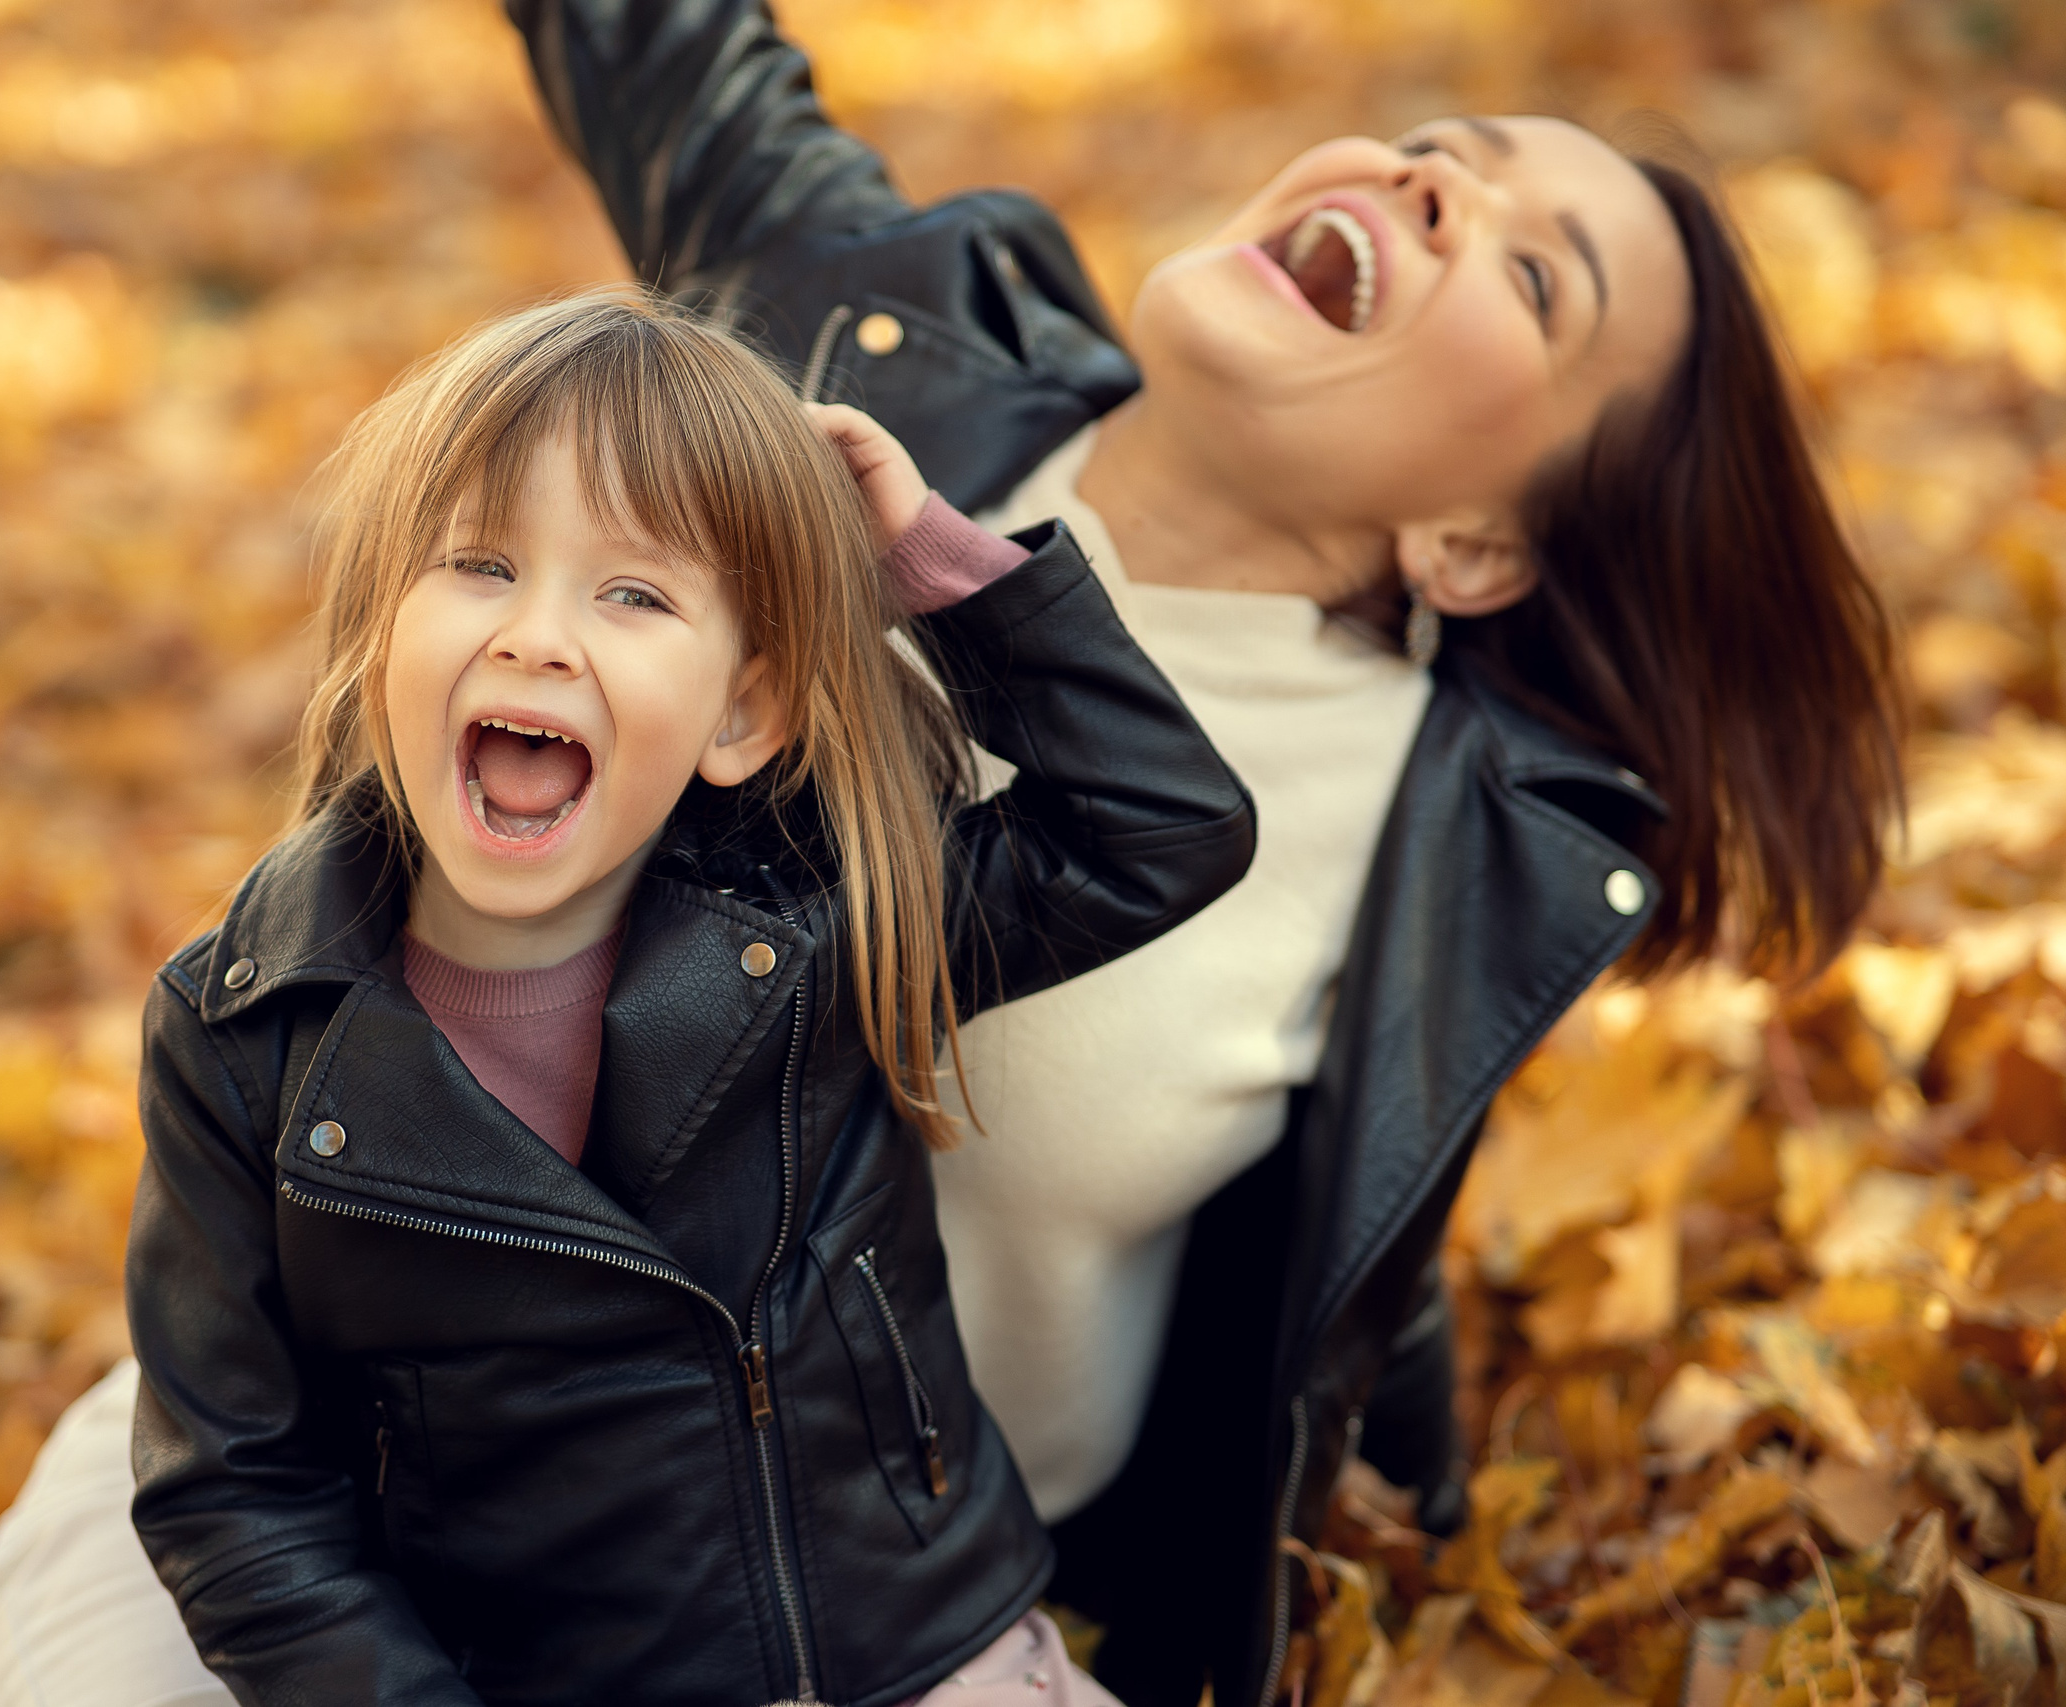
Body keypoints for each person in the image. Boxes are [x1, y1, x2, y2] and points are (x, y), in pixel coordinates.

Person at [0, 7, 1900, 1705]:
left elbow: (1340, 1282)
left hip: (873, 1622)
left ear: (1481, 540)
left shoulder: (1443, 848)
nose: (1417, 192)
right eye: (1427, 154)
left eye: (1531, 273)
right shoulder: (863, 335)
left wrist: (1412, 1526)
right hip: (363, 1537)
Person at [112, 291, 1252, 1706]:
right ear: (377, 628)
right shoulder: (247, 1037)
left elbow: (1161, 827)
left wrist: (927, 562)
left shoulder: (826, 923)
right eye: (477, 564)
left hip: (929, 1650)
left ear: (741, 715)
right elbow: (237, 1492)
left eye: (634, 594)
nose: (537, 638)